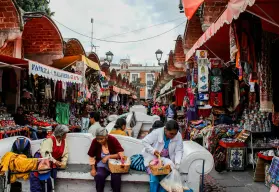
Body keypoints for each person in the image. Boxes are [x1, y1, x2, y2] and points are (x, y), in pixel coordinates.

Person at [142, 120, 183, 192]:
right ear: (165, 129)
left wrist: (177, 163)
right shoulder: (156, 133)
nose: (173, 136)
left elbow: (179, 150)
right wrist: (153, 151)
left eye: (175, 134)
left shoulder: (178, 135)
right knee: (154, 178)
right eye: (171, 134)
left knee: (166, 179)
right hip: (153, 159)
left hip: (166, 160)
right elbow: (144, 141)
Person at [30, 124, 69, 192]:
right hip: (42, 160)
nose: (66, 135)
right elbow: (46, 154)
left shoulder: (64, 142)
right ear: (61, 134)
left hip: (51, 162)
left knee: (50, 182)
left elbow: (65, 154)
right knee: (40, 180)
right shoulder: (49, 140)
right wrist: (55, 161)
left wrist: (63, 163)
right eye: (65, 133)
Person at [88, 127, 124, 192]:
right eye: (97, 139)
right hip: (102, 164)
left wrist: (108, 157)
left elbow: (121, 154)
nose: (99, 141)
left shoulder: (112, 139)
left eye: (101, 139)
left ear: (106, 136)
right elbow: (91, 156)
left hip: (114, 164)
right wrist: (93, 169)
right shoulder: (95, 141)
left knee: (116, 177)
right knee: (99, 175)